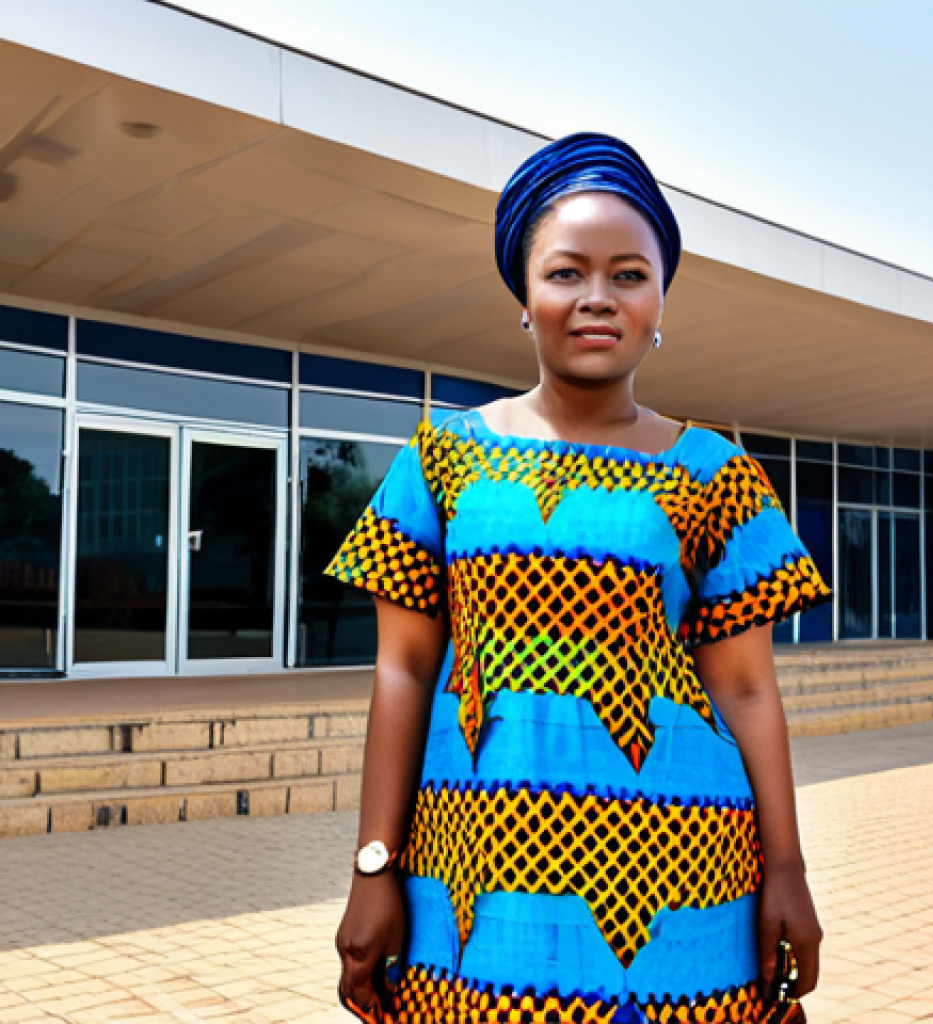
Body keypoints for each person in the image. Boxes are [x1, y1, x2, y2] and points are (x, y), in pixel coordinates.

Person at [328, 132, 830, 1024]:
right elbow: (402, 670)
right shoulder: (442, 458)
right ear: (524, 297)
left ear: (661, 299)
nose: (597, 298)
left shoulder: (717, 472)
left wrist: (785, 871)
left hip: (687, 886)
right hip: (472, 885)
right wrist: (375, 863)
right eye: (566, 273)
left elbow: (748, 690)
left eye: (629, 274)